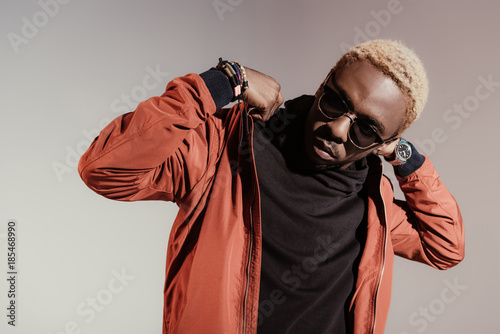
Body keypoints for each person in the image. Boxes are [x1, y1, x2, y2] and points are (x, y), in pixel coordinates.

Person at [78, 39, 465, 334]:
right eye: (334, 101)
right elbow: (105, 168)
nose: (337, 128)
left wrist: (407, 160)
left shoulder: (372, 201)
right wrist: (219, 84)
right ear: (323, 84)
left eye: (366, 128)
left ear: (387, 141)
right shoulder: (225, 148)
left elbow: (445, 247)